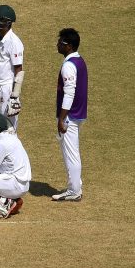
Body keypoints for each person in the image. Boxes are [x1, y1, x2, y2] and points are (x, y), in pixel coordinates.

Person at [52, 28, 88, 202]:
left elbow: (69, 93)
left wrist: (61, 118)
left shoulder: (68, 65)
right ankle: (75, 186)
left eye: (61, 42)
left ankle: (74, 190)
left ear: (69, 46)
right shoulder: (80, 61)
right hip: (77, 115)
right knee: (71, 152)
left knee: (71, 154)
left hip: (70, 117)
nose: (58, 44)